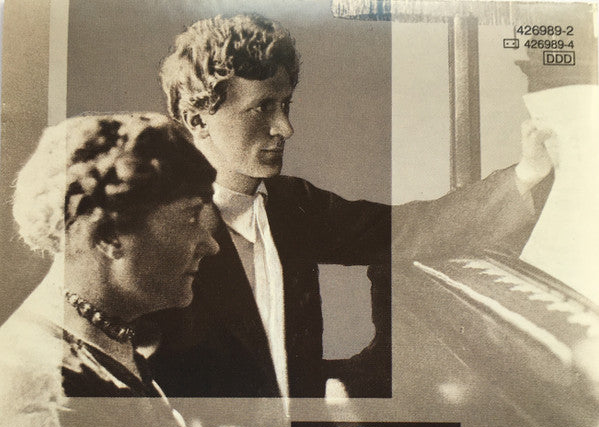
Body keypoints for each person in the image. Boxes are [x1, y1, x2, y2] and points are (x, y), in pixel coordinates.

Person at [0, 113, 460, 427]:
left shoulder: (103, 337)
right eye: (189, 218)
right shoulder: (51, 397)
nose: (210, 244)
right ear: (110, 236)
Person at [150, 13, 553, 404]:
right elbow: (150, 408)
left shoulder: (292, 203)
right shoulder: (154, 227)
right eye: (262, 108)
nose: (285, 127)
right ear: (197, 119)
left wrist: (528, 173)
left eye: (285, 104)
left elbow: (408, 229)